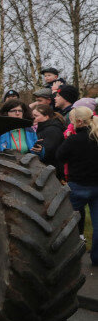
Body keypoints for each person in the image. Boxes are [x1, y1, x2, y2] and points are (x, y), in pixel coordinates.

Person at [56, 106, 98, 266]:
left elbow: (60, 156)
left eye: (72, 121)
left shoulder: (73, 140)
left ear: (79, 122)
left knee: (63, 222)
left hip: (78, 186)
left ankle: (62, 256)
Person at [30, 104, 65, 172]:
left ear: (46, 117)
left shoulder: (52, 130)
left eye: (36, 116)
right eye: (32, 115)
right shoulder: (41, 128)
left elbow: (50, 151)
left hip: (52, 170)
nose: (32, 118)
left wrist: (40, 149)